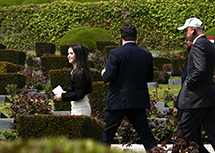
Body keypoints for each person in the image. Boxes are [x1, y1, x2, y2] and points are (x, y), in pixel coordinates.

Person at [173, 17, 215, 153]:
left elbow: (200, 69)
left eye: (186, 31)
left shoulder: (198, 44)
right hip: (207, 98)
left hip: (196, 99)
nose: (185, 34)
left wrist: (188, 84)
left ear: (194, 30)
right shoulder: (208, 44)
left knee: (182, 134)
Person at [101, 23, 157, 151]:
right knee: (146, 135)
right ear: (136, 37)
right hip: (137, 100)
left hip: (118, 100)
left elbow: (108, 77)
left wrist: (104, 73)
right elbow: (149, 78)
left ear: (120, 37)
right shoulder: (146, 54)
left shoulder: (115, 53)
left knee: (106, 135)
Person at [53, 43, 93, 116]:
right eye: (68, 53)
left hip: (80, 108)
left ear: (78, 54)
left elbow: (79, 94)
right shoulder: (77, 71)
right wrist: (65, 94)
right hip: (77, 107)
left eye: (71, 53)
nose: (69, 56)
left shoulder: (80, 72)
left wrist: (62, 96)